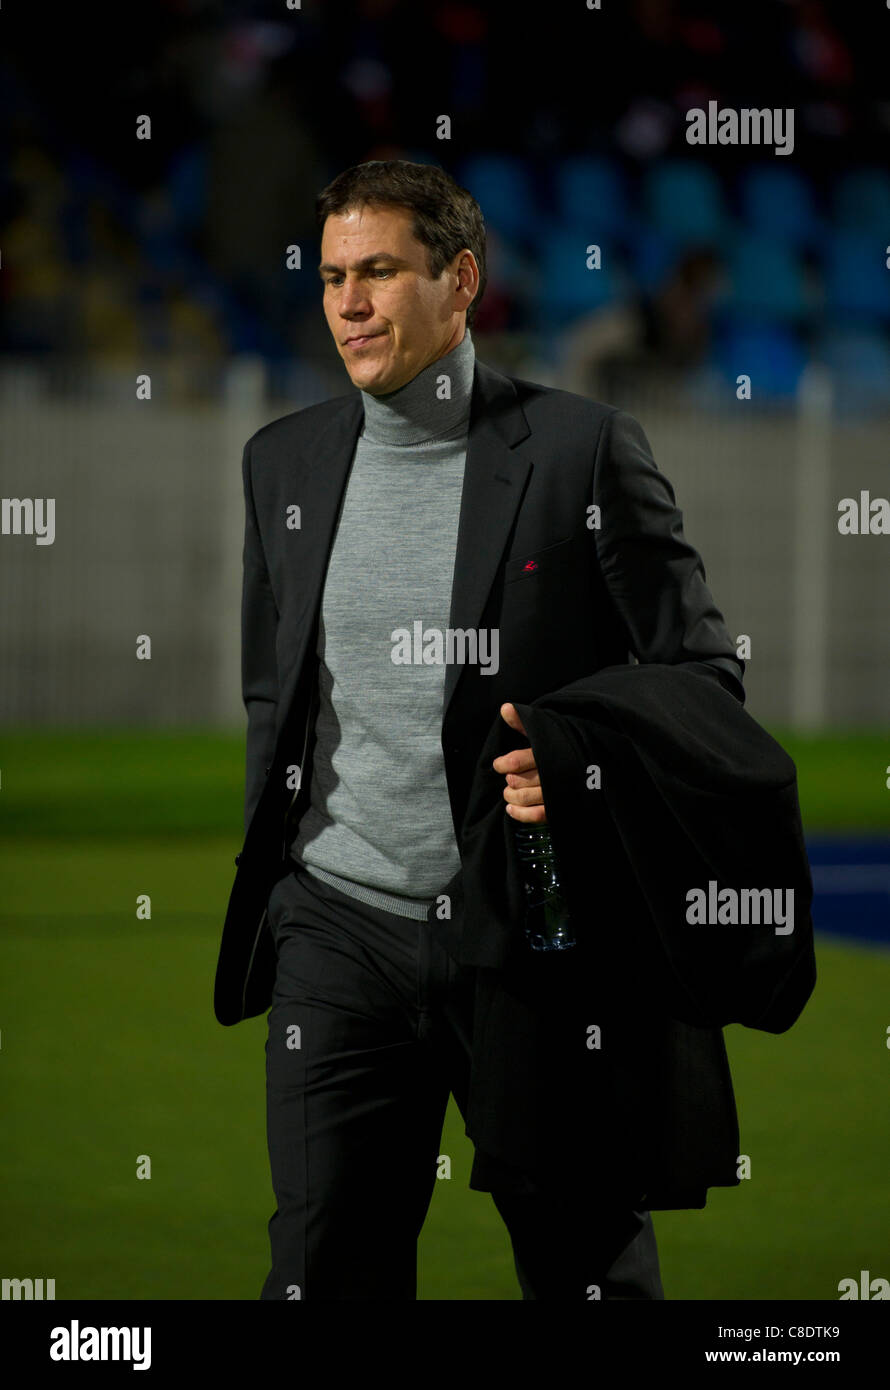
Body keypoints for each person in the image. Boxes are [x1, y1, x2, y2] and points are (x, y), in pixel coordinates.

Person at [213, 158, 745, 1300]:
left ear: (459, 283)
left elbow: (703, 679)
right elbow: (279, 695)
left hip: (534, 942)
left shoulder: (580, 451)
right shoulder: (282, 464)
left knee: (586, 1271)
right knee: (318, 1270)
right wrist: (290, 880)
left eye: (381, 273)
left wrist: (585, 770)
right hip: (339, 933)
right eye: (332, 276)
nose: (348, 302)